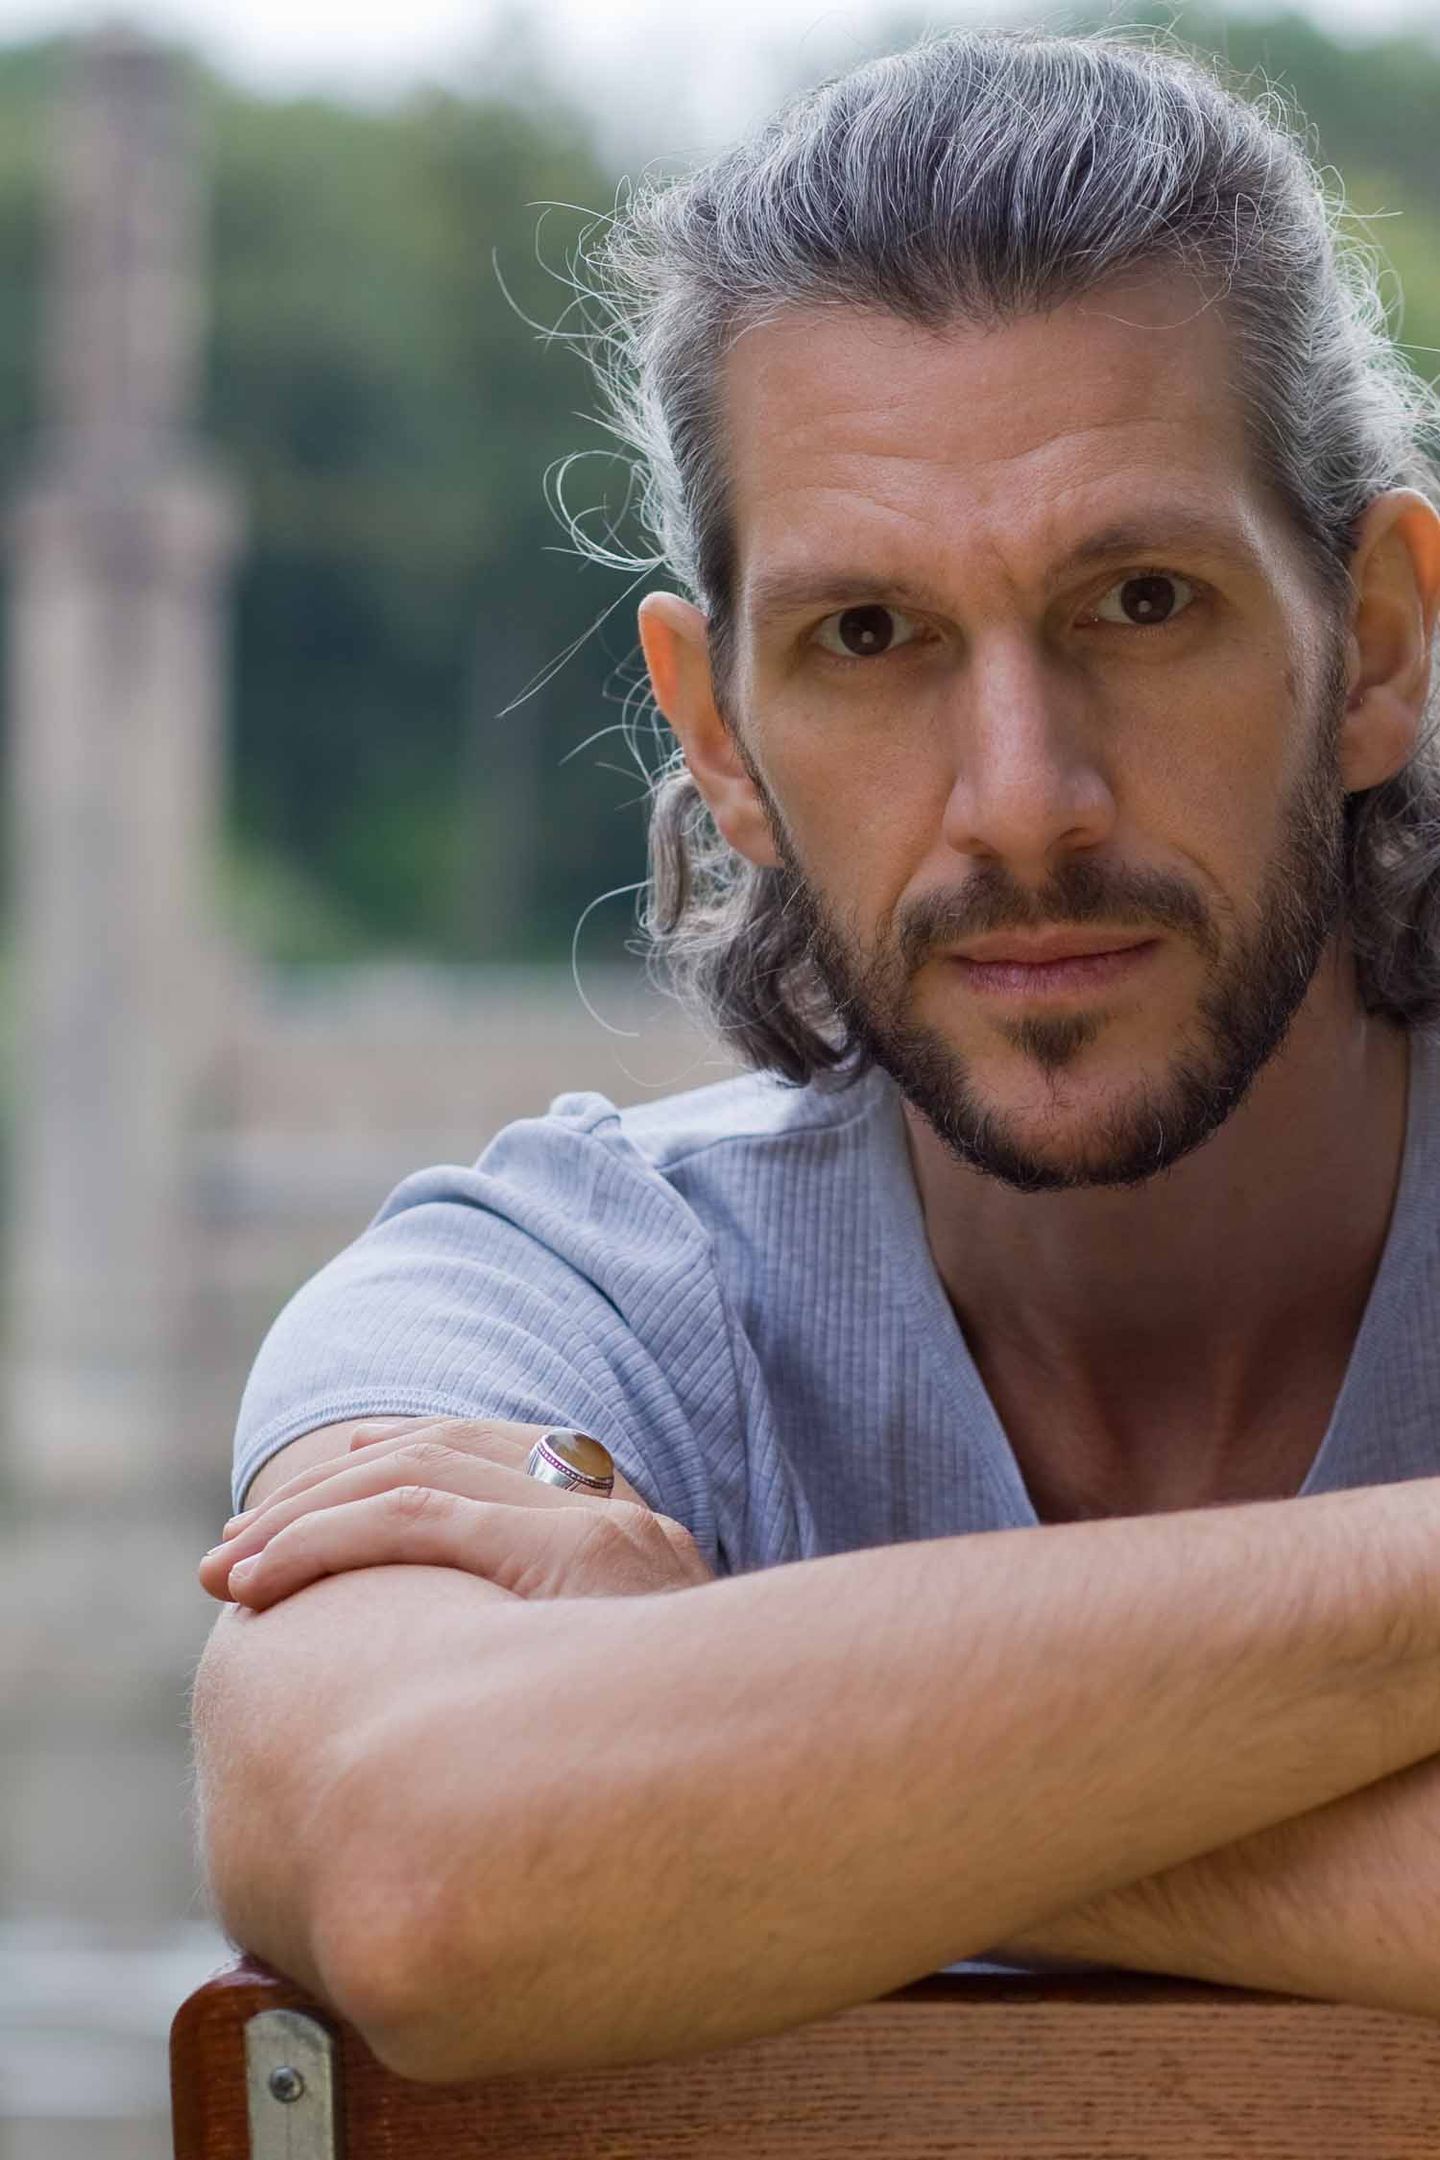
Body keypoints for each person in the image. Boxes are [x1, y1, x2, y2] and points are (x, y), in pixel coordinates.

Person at [191, 26, 1440, 2085]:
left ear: (1376, 640)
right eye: (870, 638)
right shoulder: (558, 1302)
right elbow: (418, 1872)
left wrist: (723, 1745)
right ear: (718, 733)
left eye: (1142, 600)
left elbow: (555, 1850)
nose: (1022, 801)